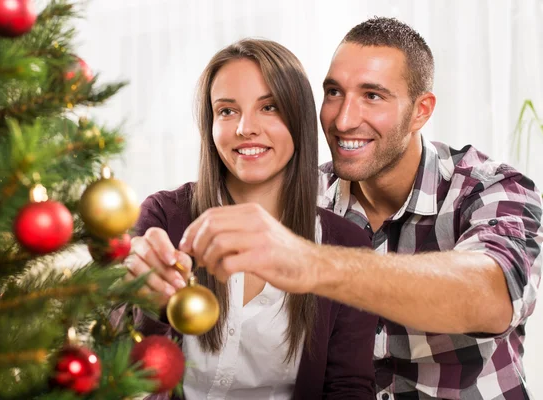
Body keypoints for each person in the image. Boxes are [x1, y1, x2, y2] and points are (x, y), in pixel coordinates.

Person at [178, 18, 543, 399]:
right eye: (334, 93)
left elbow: (491, 296)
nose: (343, 119)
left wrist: (310, 263)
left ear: (421, 110)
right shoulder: (306, 197)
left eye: (372, 96)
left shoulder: (490, 189)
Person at [117, 38, 377, 399]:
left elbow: (349, 388)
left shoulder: (347, 245)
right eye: (227, 111)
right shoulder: (162, 218)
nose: (245, 128)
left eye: (268, 107)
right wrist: (149, 304)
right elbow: (121, 371)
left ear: (299, 118)